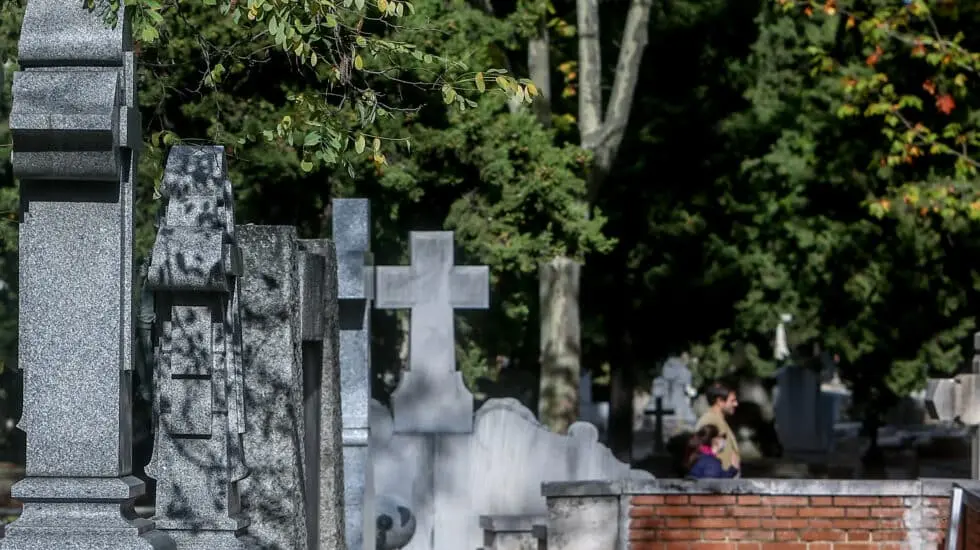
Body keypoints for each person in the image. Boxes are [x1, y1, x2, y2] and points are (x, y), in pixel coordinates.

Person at [695, 382, 740, 472]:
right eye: (732, 401)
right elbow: (703, 454)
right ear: (720, 401)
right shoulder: (710, 421)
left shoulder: (719, 420)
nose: (736, 404)